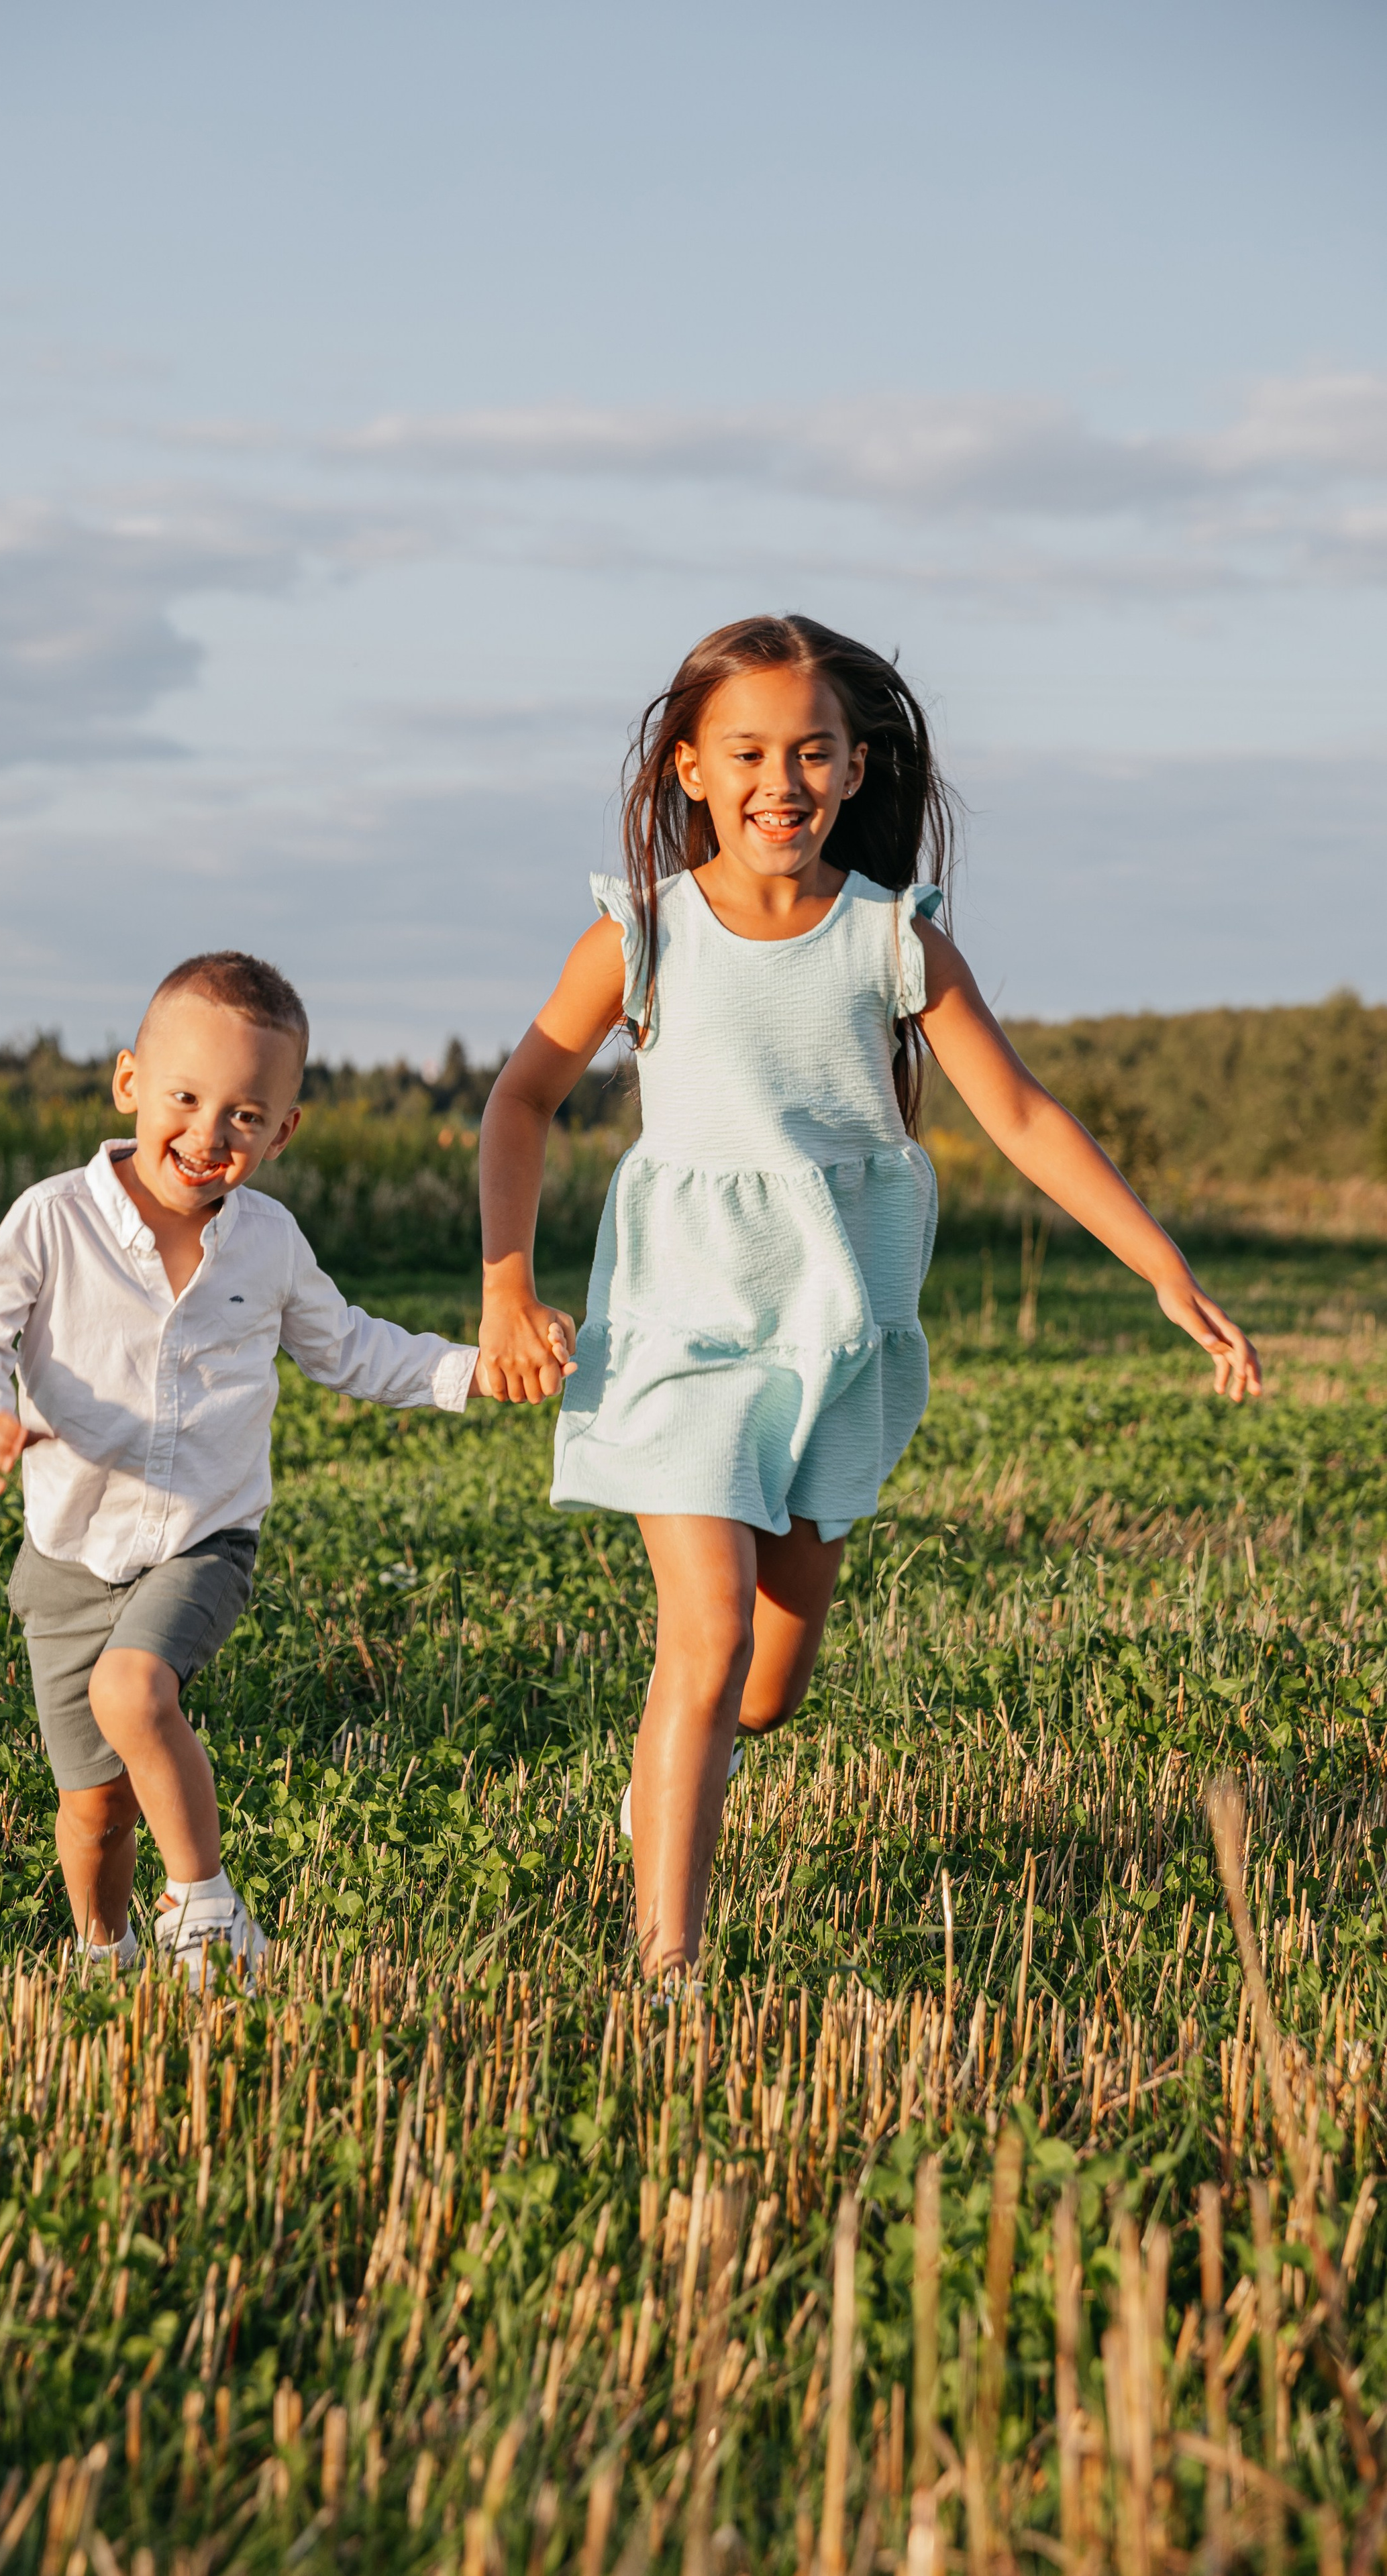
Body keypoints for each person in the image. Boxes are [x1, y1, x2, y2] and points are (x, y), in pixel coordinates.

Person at [477, 614, 1261, 1982]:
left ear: (850, 770)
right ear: (688, 769)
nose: (780, 779)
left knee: (762, 1688)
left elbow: (1017, 1114)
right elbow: (520, 1101)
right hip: (680, 1328)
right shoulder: (642, 936)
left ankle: (663, 1782)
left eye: (810, 752)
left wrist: (1160, 1265)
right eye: (748, 753)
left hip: (831, 1334)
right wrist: (504, 1290)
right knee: (706, 1637)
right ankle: (665, 1969)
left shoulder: (891, 940)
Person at [0, 951, 479, 1988]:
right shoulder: (54, 1219)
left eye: (245, 1115)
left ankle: (208, 1908)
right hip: (71, 1549)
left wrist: (472, 1371)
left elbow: (349, 1347)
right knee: (96, 1806)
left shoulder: (268, 1242)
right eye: (187, 1099)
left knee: (136, 1693)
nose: (209, 1134)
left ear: (282, 1131)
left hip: (203, 1535)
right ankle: (103, 1950)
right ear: (131, 1083)